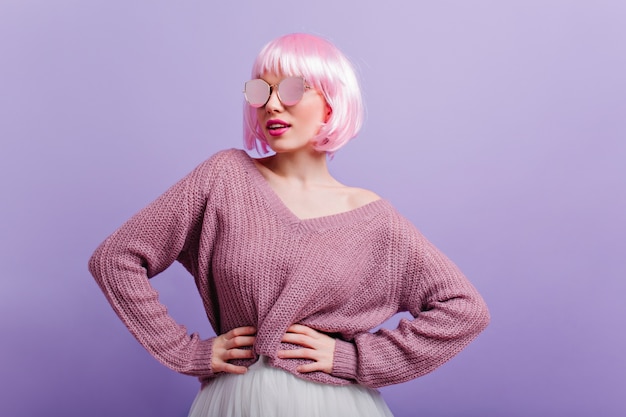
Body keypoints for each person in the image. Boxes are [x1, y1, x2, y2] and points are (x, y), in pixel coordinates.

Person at [89, 33, 490, 417]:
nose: (272, 106)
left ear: (331, 105)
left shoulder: (375, 219)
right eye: (261, 91)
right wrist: (184, 351)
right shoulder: (224, 176)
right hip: (237, 399)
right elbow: (116, 258)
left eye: (292, 90)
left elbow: (464, 309)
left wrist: (353, 358)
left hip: (335, 404)